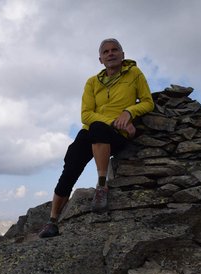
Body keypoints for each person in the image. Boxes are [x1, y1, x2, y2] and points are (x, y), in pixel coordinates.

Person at [39, 38, 154, 238]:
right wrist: (111, 121)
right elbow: (86, 115)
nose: (111, 53)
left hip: (118, 134)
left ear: (123, 55)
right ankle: (52, 221)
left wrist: (129, 112)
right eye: (106, 52)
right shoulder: (92, 82)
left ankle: (102, 185)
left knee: (98, 128)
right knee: (72, 163)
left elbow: (147, 102)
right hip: (96, 129)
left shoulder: (134, 74)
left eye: (115, 50)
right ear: (100, 59)